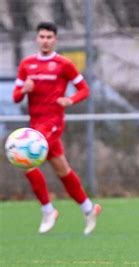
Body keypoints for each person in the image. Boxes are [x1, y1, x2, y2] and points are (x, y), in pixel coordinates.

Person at [12, 22, 101, 235]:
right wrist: (24, 89)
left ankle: (48, 209)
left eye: (49, 37)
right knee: (62, 170)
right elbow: (15, 97)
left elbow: (84, 89)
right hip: (35, 124)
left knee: (25, 160)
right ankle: (89, 208)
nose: (45, 40)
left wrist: (70, 100)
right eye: (42, 36)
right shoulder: (26, 64)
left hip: (53, 124)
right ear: (36, 39)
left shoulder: (63, 64)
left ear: (55, 40)